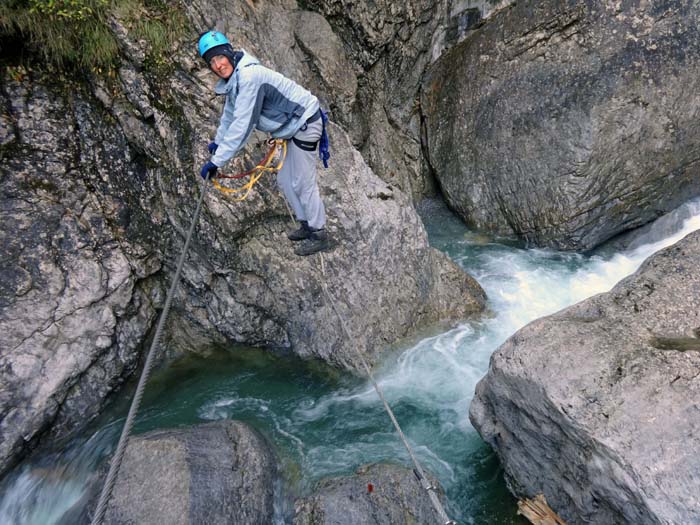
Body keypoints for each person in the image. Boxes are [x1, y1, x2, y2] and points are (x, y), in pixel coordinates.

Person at [197, 30, 331, 257]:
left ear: (229, 53)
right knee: (285, 180)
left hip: (305, 123)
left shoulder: (249, 78)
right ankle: (306, 224)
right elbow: (229, 116)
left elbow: (242, 126)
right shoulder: (235, 80)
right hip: (293, 127)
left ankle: (319, 233)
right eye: (212, 61)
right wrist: (217, 144)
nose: (218, 65)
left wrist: (216, 162)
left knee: (301, 181)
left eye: (220, 57)